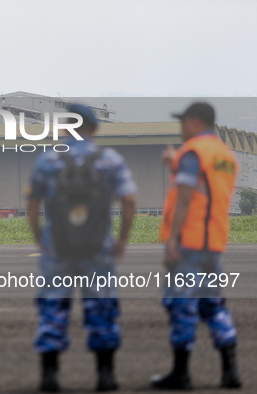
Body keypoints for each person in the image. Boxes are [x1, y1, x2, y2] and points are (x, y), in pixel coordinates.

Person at [27, 104, 137, 392]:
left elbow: (32, 202)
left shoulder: (50, 158)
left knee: (53, 307)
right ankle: (105, 375)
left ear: (66, 126)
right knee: (102, 307)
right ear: (95, 128)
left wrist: (40, 237)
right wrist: (122, 239)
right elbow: (129, 200)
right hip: (97, 248)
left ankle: (49, 375)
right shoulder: (110, 159)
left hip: (57, 247)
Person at [152, 102, 242, 390]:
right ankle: (231, 370)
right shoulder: (226, 156)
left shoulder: (193, 152)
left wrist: (173, 240)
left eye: (182, 123)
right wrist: (175, 164)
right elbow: (207, 189)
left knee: (182, 306)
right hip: (213, 244)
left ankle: (181, 373)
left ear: (194, 121)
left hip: (189, 245)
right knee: (214, 306)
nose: (180, 129)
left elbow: (186, 197)